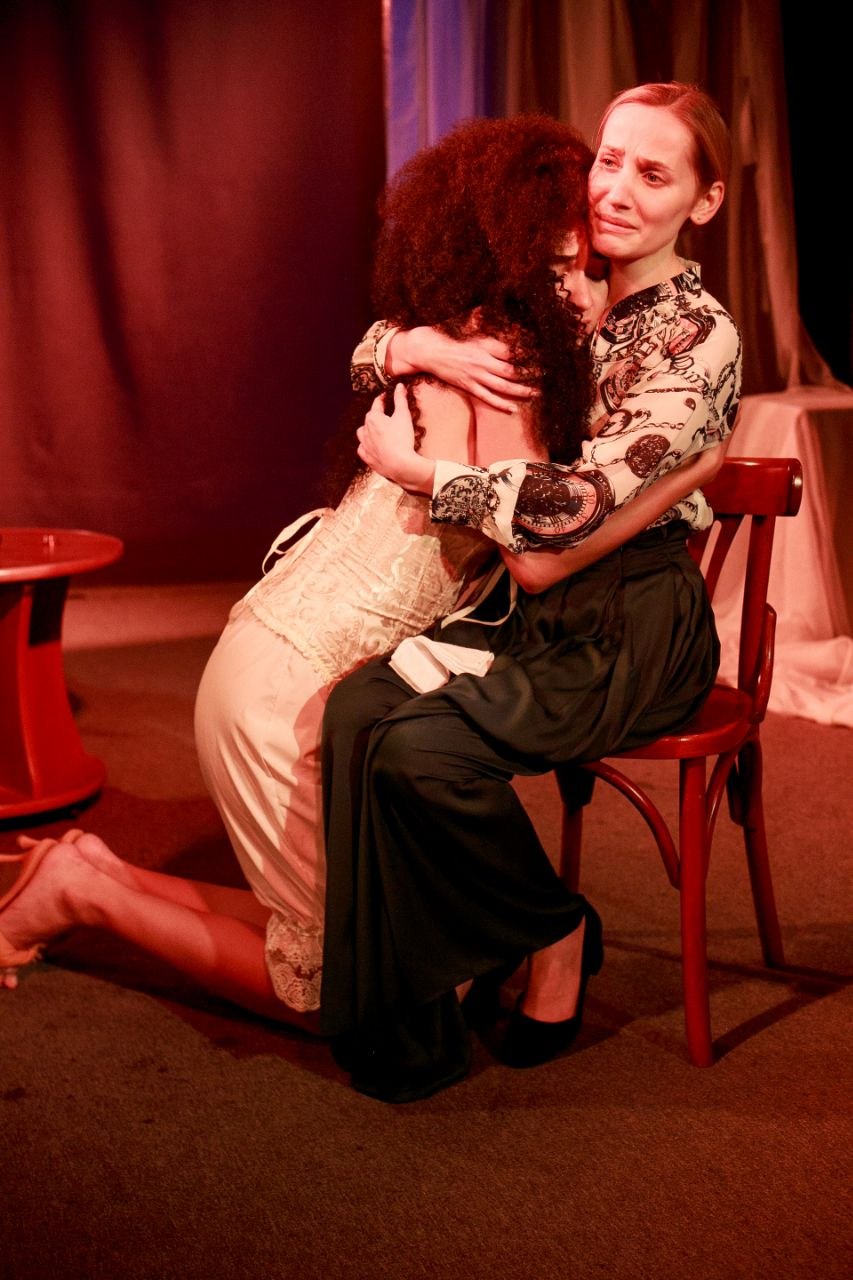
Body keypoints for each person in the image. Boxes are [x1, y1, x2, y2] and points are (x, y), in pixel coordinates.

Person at [0, 114, 713, 1011]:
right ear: (530, 255)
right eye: (570, 269)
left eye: (590, 271)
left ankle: (93, 873)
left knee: (358, 936)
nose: (586, 293)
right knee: (348, 989)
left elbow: (386, 359)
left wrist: (401, 345)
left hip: (286, 652)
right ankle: (87, 896)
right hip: (292, 694)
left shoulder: (458, 329)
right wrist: (688, 475)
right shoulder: (510, 365)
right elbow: (534, 567)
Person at [318, 81, 742, 1102]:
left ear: (703, 201)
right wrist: (413, 345)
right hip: (534, 605)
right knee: (356, 710)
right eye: (609, 159)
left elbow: (573, 507)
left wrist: (422, 474)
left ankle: (552, 931)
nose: (616, 190)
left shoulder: (696, 336)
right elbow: (372, 350)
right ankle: (403, 1012)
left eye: (653, 173)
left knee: (419, 753)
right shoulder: (560, 282)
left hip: (632, 622)